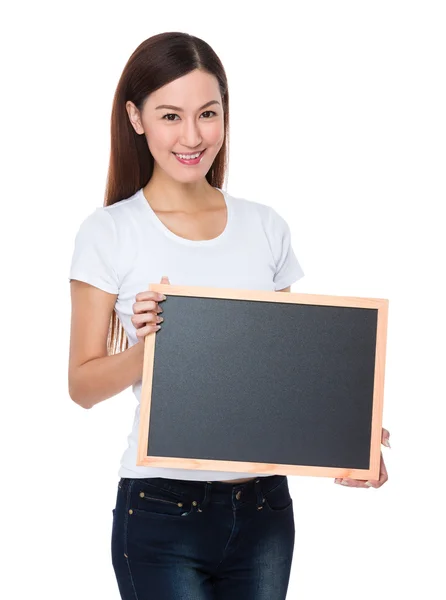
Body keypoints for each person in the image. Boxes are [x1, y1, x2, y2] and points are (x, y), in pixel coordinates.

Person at [68, 31, 390, 600]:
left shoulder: (266, 227)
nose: (192, 136)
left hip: (265, 509)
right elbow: (82, 385)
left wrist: (352, 436)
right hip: (160, 509)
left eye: (207, 114)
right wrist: (154, 349)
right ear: (135, 118)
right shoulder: (110, 232)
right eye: (170, 115)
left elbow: (285, 374)